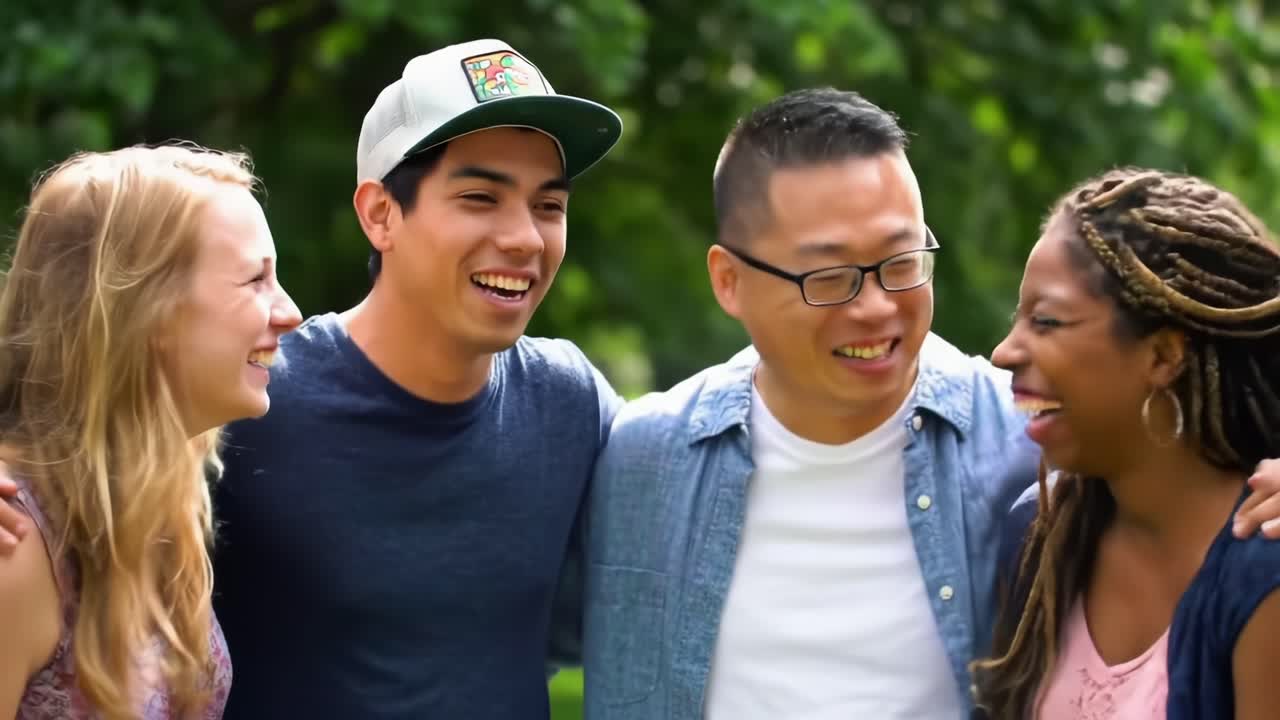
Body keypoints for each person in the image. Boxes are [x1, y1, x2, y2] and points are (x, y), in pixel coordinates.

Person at [578, 88, 1280, 720]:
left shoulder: (1024, 449)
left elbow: (1200, 411)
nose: (877, 307)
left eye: (902, 262)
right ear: (729, 282)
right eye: (830, 276)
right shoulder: (638, 463)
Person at [206, 38, 619, 719]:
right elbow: (88, 504)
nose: (525, 238)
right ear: (380, 214)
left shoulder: (570, 403)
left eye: (549, 206)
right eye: (482, 197)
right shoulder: (253, 395)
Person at [0, 143, 301, 718]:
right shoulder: (14, 542)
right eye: (254, 280)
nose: (290, 312)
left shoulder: (154, 504)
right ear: (146, 309)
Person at [971, 168, 1280, 718]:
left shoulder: (1263, 568)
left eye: (1045, 322)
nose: (1004, 352)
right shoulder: (1038, 536)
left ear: (1162, 356)